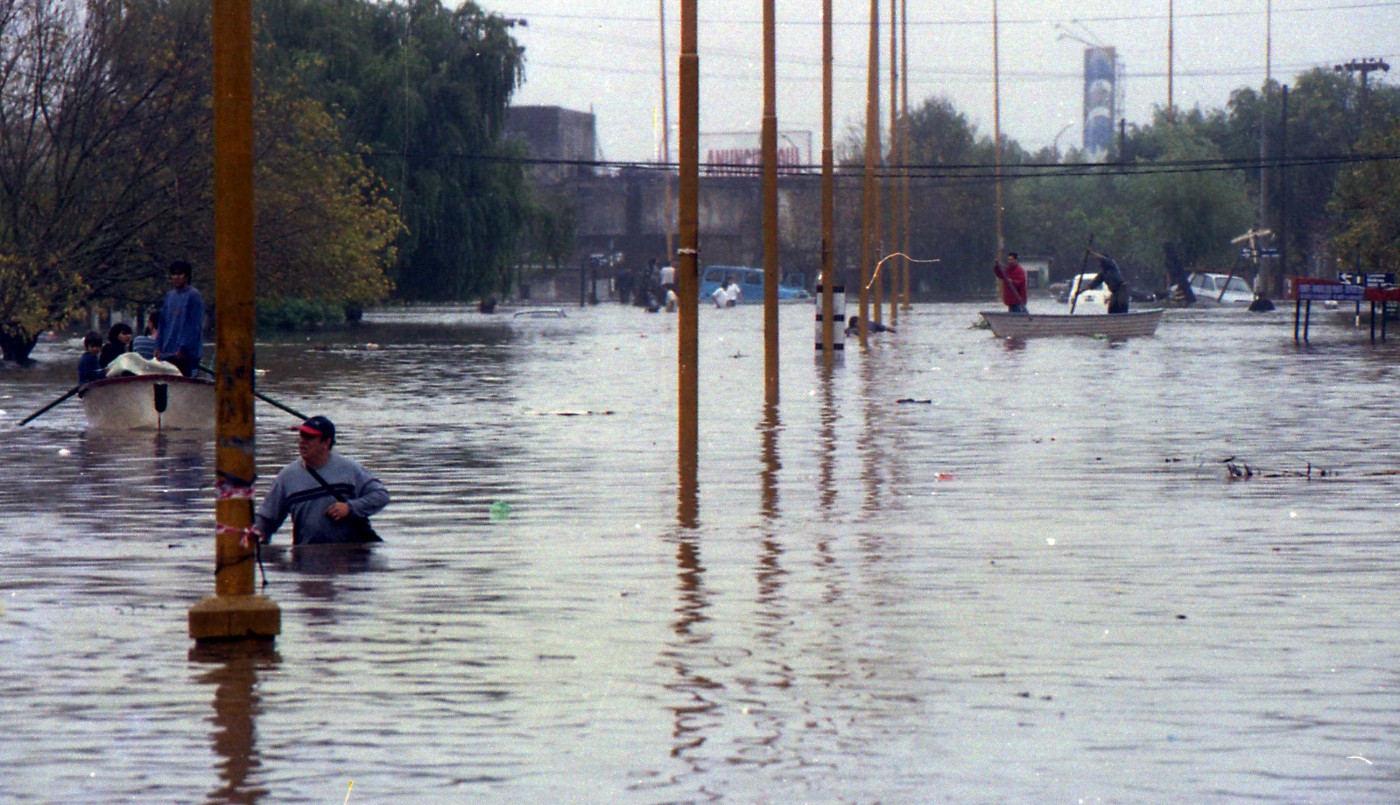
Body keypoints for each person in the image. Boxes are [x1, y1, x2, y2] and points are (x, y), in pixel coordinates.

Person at [252, 416, 390, 546]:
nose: (302, 442)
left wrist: (350, 508)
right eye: (301, 436)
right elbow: (266, 519)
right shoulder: (286, 477)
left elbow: (380, 495)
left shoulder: (349, 469)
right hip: (307, 555)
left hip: (352, 556)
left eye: (310, 437)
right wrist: (254, 538)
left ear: (326, 442)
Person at [156, 260, 204, 377]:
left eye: (179, 274)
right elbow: (163, 324)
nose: (176, 277)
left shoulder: (193, 296)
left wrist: (183, 348)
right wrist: (158, 347)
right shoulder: (169, 296)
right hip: (167, 352)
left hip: (185, 355)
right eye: (173, 274)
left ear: (186, 276)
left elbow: (194, 326)